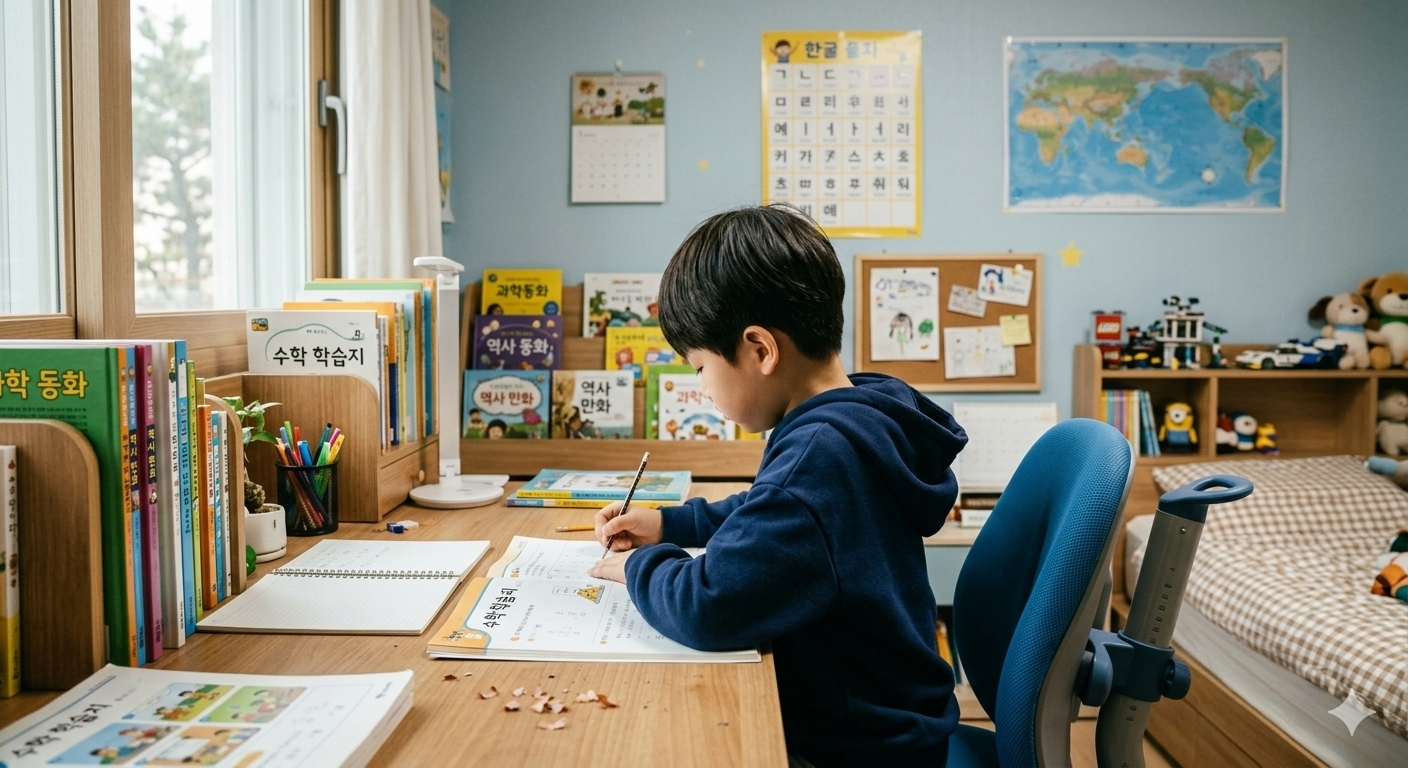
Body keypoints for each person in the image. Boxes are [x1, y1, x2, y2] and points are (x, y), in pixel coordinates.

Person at [588, 204, 966, 767]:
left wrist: (637, 568)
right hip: (891, 719)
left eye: (699, 369)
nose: (702, 390)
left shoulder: (819, 456)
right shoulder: (859, 416)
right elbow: (774, 513)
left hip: (859, 747)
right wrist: (672, 521)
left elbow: (709, 606)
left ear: (760, 350)